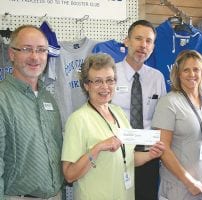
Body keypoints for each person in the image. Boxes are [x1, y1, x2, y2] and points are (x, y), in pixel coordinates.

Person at [61, 53, 165, 200]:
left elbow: (127, 158)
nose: (105, 87)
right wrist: (98, 148)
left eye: (110, 80)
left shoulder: (118, 113)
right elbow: (69, 175)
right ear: (86, 85)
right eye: (97, 81)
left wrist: (151, 155)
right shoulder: (78, 120)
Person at [0, 25, 64, 199]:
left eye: (41, 50)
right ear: (12, 54)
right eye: (27, 49)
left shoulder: (48, 99)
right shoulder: (2, 98)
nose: (35, 57)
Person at [152, 50, 202, 200]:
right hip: (179, 186)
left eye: (196, 69)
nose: (192, 74)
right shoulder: (169, 102)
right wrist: (188, 181)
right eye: (186, 70)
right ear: (178, 74)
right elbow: (162, 148)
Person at [111, 20, 167, 200]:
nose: (143, 45)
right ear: (126, 41)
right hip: (116, 155)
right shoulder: (110, 75)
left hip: (148, 157)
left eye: (149, 41)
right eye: (138, 39)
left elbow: (162, 118)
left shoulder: (157, 78)